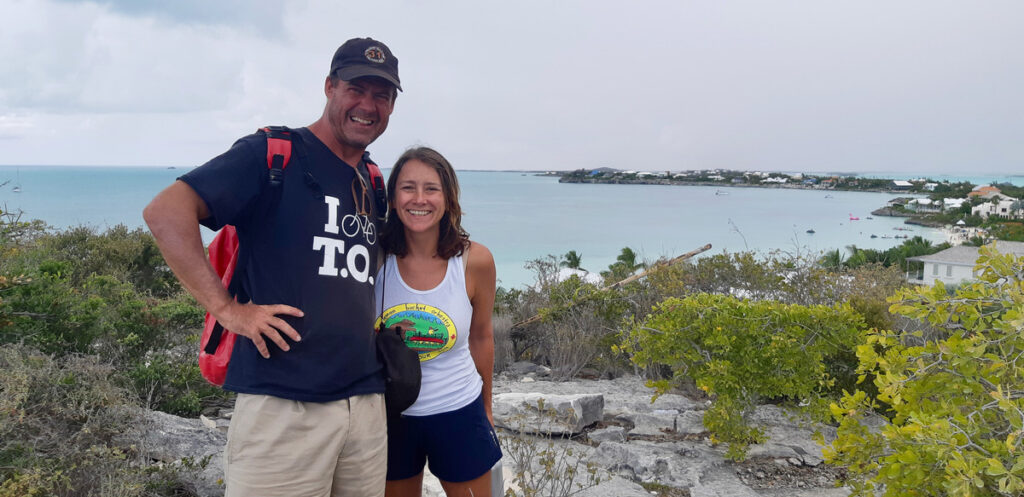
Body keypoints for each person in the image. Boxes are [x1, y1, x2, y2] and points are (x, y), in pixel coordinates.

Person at [142, 37, 401, 497]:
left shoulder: (372, 178)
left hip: (364, 405)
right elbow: (166, 212)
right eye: (356, 89)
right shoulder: (273, 154)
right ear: (329, 87)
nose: (368, 105)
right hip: (283, 404)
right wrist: (228, 310)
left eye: (382, 95)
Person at [375, 147, 502, 497]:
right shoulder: (374, 257)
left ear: (448, 197)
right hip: (390, 413)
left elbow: (481, 336)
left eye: (431, 188)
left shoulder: (474, 260)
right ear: (392, 196)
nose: (419, 199)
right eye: (408, 188)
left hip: (459, 409)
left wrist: (487, 408)